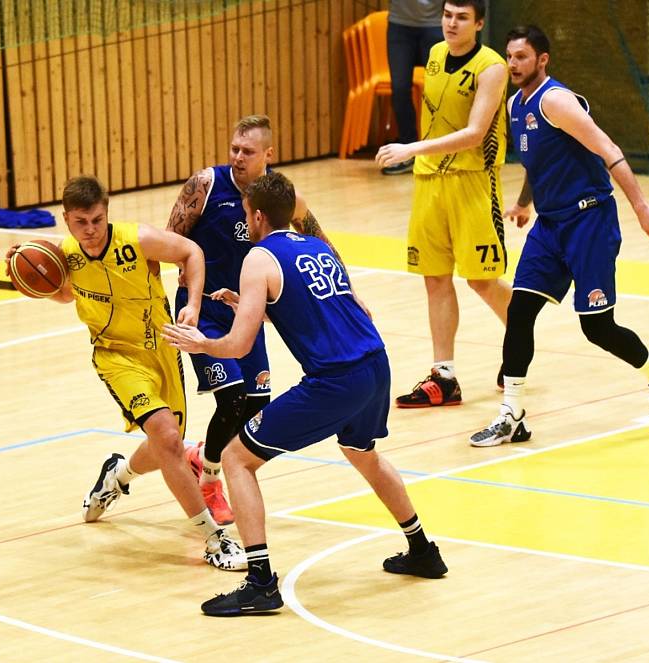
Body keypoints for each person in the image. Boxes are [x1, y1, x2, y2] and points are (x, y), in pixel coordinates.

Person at [162, 172, 447, 616]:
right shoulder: (314, 245)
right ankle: (423, 550)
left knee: (237, 458)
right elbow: (314, 308)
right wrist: (249, 305)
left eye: (245, 213)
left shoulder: (258, 257)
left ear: (256, 214)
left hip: (335, 379)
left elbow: (237, 346)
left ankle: (260, 583)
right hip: (375, 364)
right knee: (363, 452)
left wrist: (201, 344)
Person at [5, 175, 246, 571]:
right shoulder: (65, 254)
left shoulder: (138, 239)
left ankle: (117, 475)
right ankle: (214, 539)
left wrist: (195, 304)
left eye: (97, 220)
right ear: (66, 220)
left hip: (162, 349)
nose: (91, 230)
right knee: (169, 439)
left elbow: (192, 252)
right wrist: (25, 269)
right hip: (116, 357)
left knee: (166, 443)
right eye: (81, 222)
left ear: (107, 213)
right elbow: (63, 292)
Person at [470, 26, 649, 447]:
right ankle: (511, 413)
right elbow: (538, 160)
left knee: (598, 328)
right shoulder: (514, 105)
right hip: (550, 225)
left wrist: (641, 207)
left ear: (542, 60)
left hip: (589, 222)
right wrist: (524, 202)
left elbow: (609, 150)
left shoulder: (557, 101)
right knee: (520, 310)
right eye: (509, 57)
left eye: (522, 57)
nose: (513, 64)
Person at [167, 114, 354, 526]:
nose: (237, 157)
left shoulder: (281, 197)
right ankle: (211, 481)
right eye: (233, 148)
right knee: (232, 398)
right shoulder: (207, 185)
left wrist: (349, 289)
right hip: (202, 308)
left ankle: (202, 457)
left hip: (246, 310)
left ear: (268, 155)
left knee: (256, 404)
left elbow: (321, 243)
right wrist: (188, 293)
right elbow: (173, 240)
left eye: (247, 151)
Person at [376, 0, 511, 408]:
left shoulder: (492, 67)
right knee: (434, 277)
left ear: (479, 23)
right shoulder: (435, 55)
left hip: (473, 183)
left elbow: (474, 133)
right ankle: (444, 376)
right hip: (430, 181)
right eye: (448, 15)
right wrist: (421, 157)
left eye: (461, 18)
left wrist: (410, 148)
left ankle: (520, 335)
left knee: (481, 280)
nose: (451, 23)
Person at [381, 0, 443, 175]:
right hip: (400, 25)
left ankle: (440, 151)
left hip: (435, 23)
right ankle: (407, 151)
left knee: (440, 90)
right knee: (399, 88)